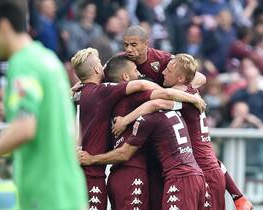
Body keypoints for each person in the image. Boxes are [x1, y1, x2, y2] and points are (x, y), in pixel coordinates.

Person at [0, 1, 87, 210]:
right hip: (70, 193)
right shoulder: (49, 60)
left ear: (3, 27)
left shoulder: (22, 63)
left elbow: (25, 127)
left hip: (45, 196)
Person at [113, 53, 253, 210]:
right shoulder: (188, 91)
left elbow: (156, 103)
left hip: (205, 174)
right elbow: (199, 78)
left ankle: (240, 199)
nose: (163, 72)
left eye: (169, 70)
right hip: (204, 168)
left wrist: (125, 120)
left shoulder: (183, 98)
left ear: (180, 78)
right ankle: (239, 198)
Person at [101, 54, 206, 210]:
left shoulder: (105, 94)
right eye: (136, 70)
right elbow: (163, 96)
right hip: (151, 174)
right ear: (126, 76)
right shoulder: (144, 100)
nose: (141, 74)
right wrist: (194, 97)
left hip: (128, 175)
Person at [71, 47, 164, 210]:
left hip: (71, 170)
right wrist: (167, 93)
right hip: (91, 173)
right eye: (100, 63)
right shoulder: (101, 92)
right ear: (96, 69)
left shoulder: (73, 93)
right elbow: (141, 84)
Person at [79, 109, 206, 210]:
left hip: (180, 178)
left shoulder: (148, 119)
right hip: (197, 175)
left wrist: (92, 159)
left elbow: (124, 154)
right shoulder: (175, 110)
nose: (164, 74)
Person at [123, 25, 206, 88]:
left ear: (145, 43)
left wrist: (178, 90)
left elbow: (200, 77)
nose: (129, 49)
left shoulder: (162, 58)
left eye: (134, 45)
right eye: (126, 45)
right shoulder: (120, 61)